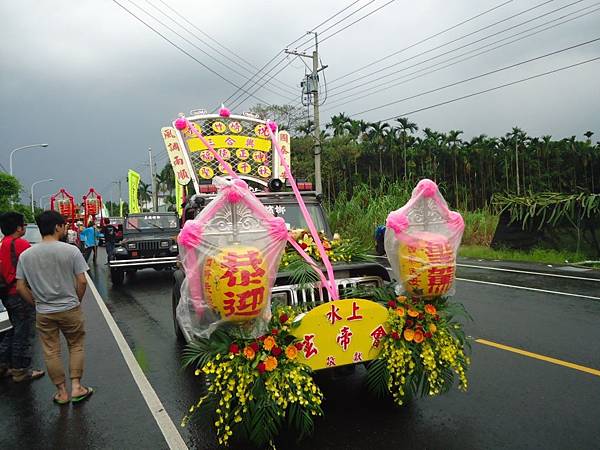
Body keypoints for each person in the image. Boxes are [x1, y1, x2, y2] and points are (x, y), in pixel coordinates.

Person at [16, 210, 92, 404]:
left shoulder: (26, 255)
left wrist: (36, 303)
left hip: (44, 311)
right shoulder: (71, 250)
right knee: (75, 345)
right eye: (64, 225)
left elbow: (20, 287)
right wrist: (76, 300)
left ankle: (61, 392)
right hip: (69, 308)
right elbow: (82, 281)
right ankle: (76, 387)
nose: (65, 228)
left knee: (51, 351)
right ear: (57, 226)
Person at [0, 212, 45, 382]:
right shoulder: (20, 244)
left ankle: (3, 363)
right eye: (24, 225)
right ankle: (20, 370)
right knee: (23, 332)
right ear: (18, 228)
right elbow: (35, 270)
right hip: (19, 294)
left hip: (6, 294)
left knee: (14, 329)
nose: (25, 227)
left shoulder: (3, 243)